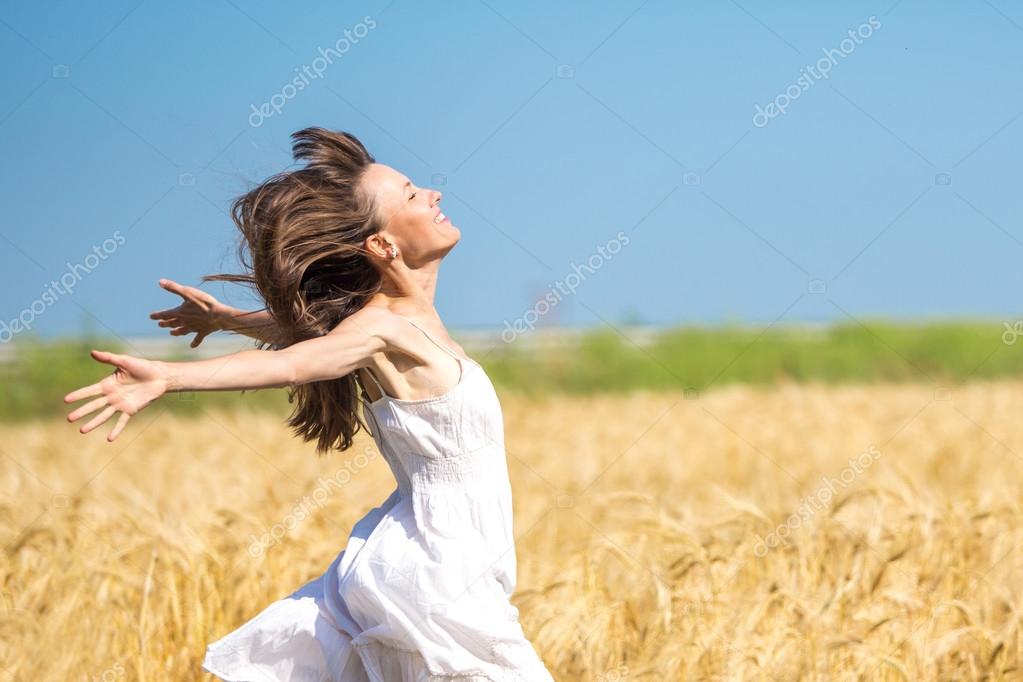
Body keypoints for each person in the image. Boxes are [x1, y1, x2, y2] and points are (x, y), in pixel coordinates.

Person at [63, 127, 555, 681]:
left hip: (442, 560)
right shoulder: (381, 329)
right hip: (438, 572)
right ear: (382, 245)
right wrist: (168, 377)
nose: (434, 194)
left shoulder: (395, 324)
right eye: (413, 194)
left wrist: (227, 319)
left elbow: (310, 330)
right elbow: (294, 362)